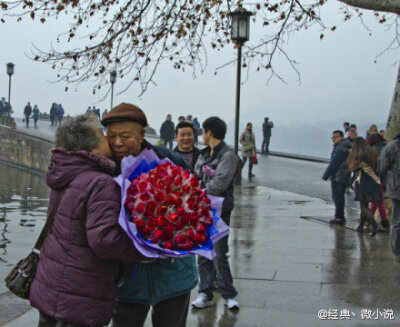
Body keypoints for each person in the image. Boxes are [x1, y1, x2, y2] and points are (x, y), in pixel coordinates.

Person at [29, 114, 147, 327]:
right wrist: (147, 250)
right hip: (79, 295)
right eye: (103, 136)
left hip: (51, 287)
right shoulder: (100, 182)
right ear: (93, 149)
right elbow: (105, 241)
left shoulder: (64, 174)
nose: (110, 141)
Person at [101, 103, 198, 327]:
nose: (117, 143)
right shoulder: (105, 167)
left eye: (124, 136)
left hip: (174, 274)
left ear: (142, 134)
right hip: (127, 278)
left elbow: (196, 206)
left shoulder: (169, 161)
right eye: (112, 136)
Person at [192, 116, 239, 310]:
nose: (201, 135)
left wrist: (200, 190)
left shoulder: (228, 155)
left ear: (209, 132)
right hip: (202, 209)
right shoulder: (205, 154)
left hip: (219, 210)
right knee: (203, 253)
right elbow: (196, 173)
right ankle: (205, 292)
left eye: (203, 131)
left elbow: (220, 183)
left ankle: (229, 294)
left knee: (219, 253)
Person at [347, 137, 381, 236]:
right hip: (374, 182)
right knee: (364, 206)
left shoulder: (361, 154)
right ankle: (361, 226)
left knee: (364, 207)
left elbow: (358, 169)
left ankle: (375, 225)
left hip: (365, 182)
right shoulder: (373, 152)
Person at [322, 130, 352, 224]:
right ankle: (339, 216)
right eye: (332, 137)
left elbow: (334, 163)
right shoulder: (347, 146)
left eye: (335, 137)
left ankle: (339, 217)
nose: (333, 139)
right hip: (345, 174)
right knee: (340, 196)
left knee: (337, 197)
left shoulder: (340, 148)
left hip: (338, 175)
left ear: (341, 137)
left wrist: (326, 175)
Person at [379, 133, 400, 254]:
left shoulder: (390, 147)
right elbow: (383, 167)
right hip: (396, 188)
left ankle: (396, 249)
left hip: (395, 187)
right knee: (397, 220)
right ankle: (396, 249)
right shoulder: (392, 147)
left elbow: (382, 168)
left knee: (397, 220)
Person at [366, 133, 390, 230]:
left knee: (379, 201)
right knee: (376, 201)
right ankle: (369, 220)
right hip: (387, 178)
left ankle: (384, 222)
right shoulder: (388, 147)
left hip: (377, 178)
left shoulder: (374, 151)